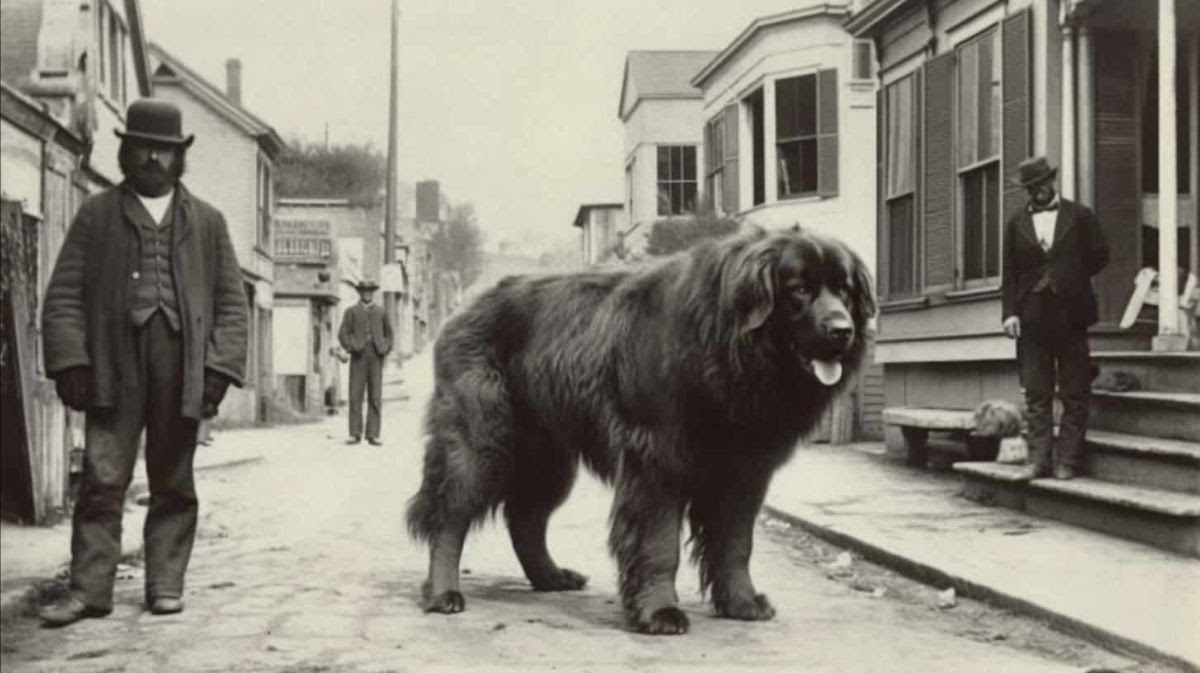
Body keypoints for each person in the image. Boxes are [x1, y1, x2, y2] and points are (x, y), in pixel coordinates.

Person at [38, 99, 248, 626]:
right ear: (126, 151)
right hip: (114, 366)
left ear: (180, 159)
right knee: (103, 478)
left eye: (165, 151)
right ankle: (89, 590)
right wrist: (71, 364)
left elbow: (230, 305)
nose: (153, 159)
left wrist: (218, 372)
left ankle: (165, 585)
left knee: (174, 480)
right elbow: (62, 295)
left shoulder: (208, 223)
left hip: (181, 368)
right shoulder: (97, 215)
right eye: (143, 148)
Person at [1001, 156, 1109, 481]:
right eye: (1031, 188)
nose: (1037, 192)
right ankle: (1038, 461)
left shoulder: (1080, 216)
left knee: (1075, 390)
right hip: (1032, 316)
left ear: (1052, 181)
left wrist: (1070, 276)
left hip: (1071, 314)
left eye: (1041, 185)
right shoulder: (1015, 223)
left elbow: (1100, 256)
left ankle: (1068, 462)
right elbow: (1010, 273)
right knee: (1036, 392)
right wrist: (1010, 314)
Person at [338, 280, 392, 445]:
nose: (366, 294)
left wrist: (384, 348)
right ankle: (355, 433)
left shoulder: (382, 312)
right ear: (359, 293)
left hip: (376, 356)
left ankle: (373, 434)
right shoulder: (351, 312)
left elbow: (389, 335)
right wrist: (352, 345)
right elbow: (343, 334)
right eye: (364, 291)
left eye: (369, 291)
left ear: (373, 293)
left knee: (375, 396)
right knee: (355, 396)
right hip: (358, 356)